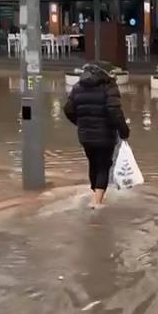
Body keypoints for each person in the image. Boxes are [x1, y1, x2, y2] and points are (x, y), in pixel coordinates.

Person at [64, 62, 130, 207]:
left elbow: (68, 109)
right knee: (104, 165)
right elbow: (115, 112)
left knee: (93, 164)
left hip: (85, 135)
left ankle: (94, 194)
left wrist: (81, 123)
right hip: (105, 135)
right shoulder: (110, 87)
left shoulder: (77, 87)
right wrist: (123, 131)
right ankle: (96, 202)